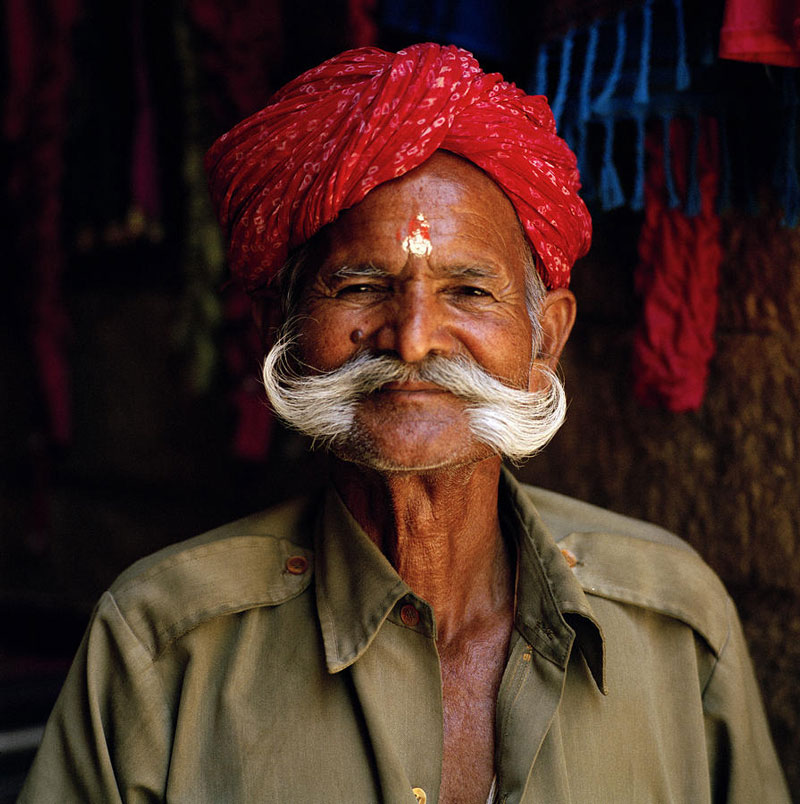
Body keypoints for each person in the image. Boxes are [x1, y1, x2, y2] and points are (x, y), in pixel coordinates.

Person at [20, 43, 789, 803]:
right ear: (278, 328)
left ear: (545, 340)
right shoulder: (161, 645)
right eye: (360, 285)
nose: (413, 337)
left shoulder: (677, 622)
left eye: (468, 292)